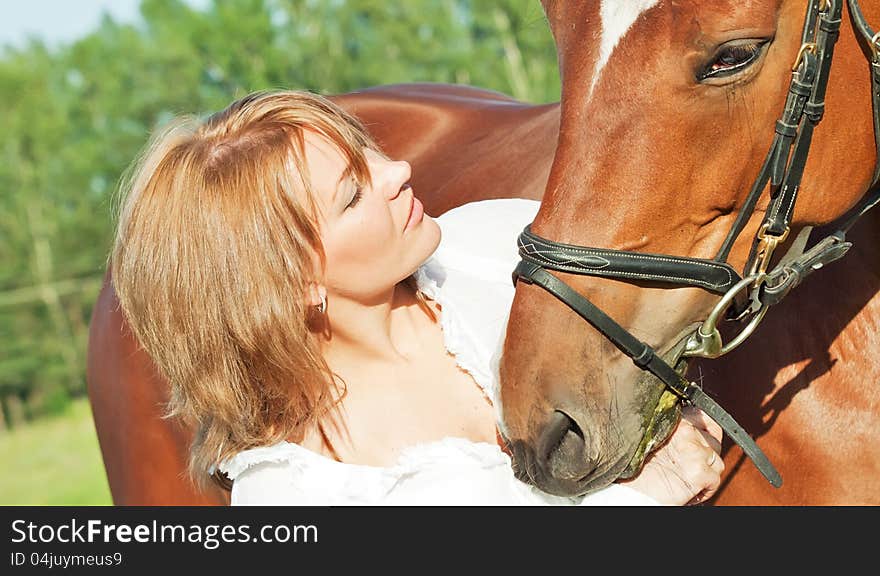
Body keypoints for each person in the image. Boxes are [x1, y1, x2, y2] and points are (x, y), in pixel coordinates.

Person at [110, 89, 724, 506]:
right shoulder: (292, 491)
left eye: (368, 153)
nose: (398, 170)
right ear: (292, 286)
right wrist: (637, 499)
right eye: (353, 195)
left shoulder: (500, 245)